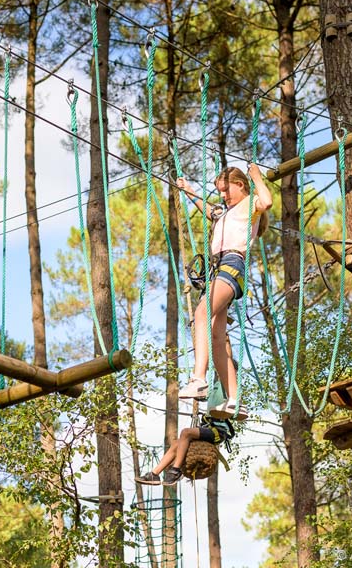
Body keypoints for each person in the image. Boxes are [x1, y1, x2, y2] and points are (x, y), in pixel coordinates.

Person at [176, 164, 272, 419]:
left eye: (226, 190)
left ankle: (198, 379)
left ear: (240, 186)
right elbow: (207, 209)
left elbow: (267, 202)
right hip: (218, 269)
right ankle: (233, 400)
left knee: (201, 315)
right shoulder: (225, 212)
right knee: (218, 338)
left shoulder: (250, 203)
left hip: (231, 264)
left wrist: (256, 178)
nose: (224, 196)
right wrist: (189, 191)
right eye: (220, 192)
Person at [135, 416, 234, 486]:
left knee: (186, 433)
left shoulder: (220, 399)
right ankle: (154, 474)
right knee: (176, 444)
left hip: (218, 432)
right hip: (208, 430)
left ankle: (176, 470)